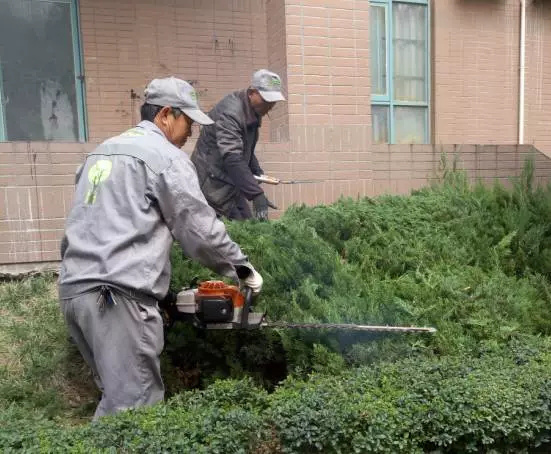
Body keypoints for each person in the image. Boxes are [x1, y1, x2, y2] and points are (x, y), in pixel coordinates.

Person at [58, 76, 263, 420]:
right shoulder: (164, 157)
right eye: (188, 123)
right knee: (135, 413)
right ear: (167, 114)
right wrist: (242, 269)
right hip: (116, 299)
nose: (190, 135)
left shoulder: (101, 152)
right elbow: (199, 229)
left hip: (75, 293)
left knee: (115, 403)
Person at [191, 69, 286, 220]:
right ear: (252, 92)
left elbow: (245, 147)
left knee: (247, 225)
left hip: (229, 181)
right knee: (231, 233)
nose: (270, 105)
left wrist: (256, 172)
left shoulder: (253, 110)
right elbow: (232, 157)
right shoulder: (231, 112)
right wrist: (256, 194)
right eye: (266, 100)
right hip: (211, 185)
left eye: (273, 101)